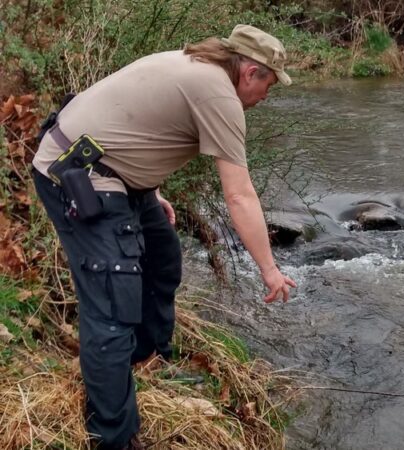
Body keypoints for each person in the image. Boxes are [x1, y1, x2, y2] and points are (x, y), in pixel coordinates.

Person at [31, 24, 296, 449]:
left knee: (162, 259)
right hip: (76, 175)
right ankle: (114, 435)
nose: (268, 96)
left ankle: (148, 359)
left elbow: (130, 116)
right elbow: (240, 195)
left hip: (115, 172)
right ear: (250, 72)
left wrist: (149, 188)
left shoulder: (195, 64)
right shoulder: (217, 93)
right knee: (113, 306)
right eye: (269, 84)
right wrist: (269, 270)